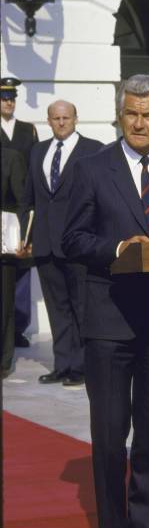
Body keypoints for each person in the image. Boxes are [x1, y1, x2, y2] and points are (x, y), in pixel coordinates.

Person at [62, 75, 149, 528]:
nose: (138, 122)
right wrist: (119, 247)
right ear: (120, 114)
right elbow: (72, 239)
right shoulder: (93, 168)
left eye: (148, 114)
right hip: (110, 321)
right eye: (130, 113)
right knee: (111, 435)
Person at [22, 100, 103, 386]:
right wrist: (25, 237)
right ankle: (63, 364)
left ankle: (81, 367)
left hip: (77, 243)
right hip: (45, 244)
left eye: (65, 117)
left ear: (75, 119)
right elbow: (29, 199)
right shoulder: (38, 151)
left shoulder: (93, 149)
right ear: (48, 121)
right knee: (58, 309)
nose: (61, 122)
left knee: (81, 307)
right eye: (55, 118)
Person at [1, 76, 38, 349]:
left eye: (12, 98)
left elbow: (33, 166)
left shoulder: (28, 129)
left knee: (22, 272)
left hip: (20, 209)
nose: (9, 102)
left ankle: (19, 328)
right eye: (4, 98)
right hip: (2, 209)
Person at [1, 146, 28, 377]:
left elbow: (22, 202)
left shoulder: (11, 157)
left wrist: (20, 238)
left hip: (3, 247)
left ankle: (3, 361)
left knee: (4, 306)